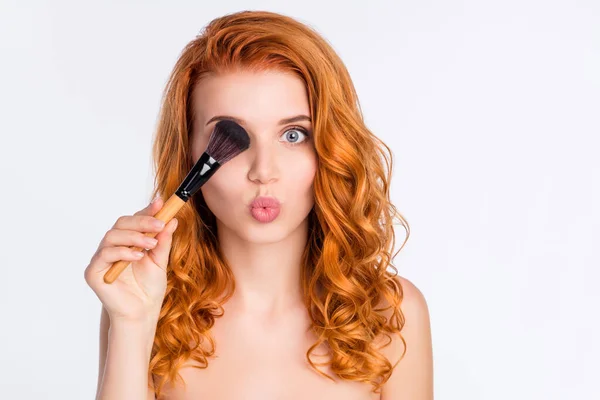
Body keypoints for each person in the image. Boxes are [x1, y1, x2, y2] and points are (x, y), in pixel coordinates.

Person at [85, 10, 433, 400]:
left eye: (293, 134)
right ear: (189, 156)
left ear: (331, 149)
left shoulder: (390, 315)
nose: (263, 171)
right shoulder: (150, 306)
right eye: (234, 136)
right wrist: (132, 323)